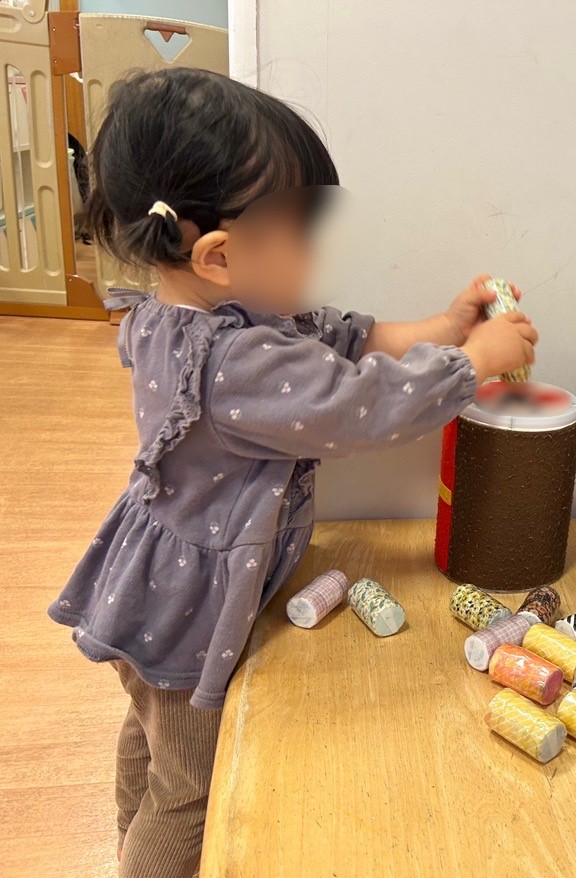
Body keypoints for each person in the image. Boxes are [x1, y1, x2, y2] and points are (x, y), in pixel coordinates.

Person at [48, 67, 537, 877]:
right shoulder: (236, 363)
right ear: (219, 255)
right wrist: (471, 363)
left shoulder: (184, 320)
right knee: (190, 789)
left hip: (148, 586)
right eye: (302, 226)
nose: (317, 247)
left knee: (151, 741)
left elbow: (344, 341)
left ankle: (125, 843)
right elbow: (354, 405)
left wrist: (445, 327)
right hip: (188, 614)